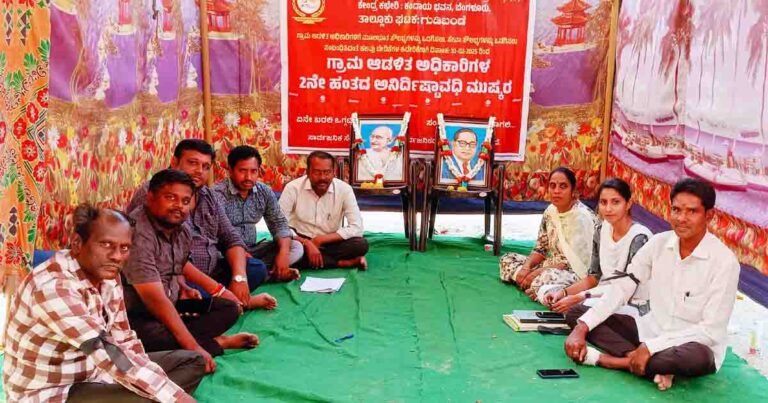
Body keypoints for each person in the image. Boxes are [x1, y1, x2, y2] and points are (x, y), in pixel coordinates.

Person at [2, 204, 203, 403]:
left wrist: (160, 385)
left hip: (95, 373)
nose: (116, 256)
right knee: (147, 396)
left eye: (124, 248)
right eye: (106, 245)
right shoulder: (53, 288)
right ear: (77, 243)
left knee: (192, 362)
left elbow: (124, 340)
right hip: (54, 391)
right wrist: (177, 398)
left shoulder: (108, 274)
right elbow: (108, 353)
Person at [564, 178, 740, 391]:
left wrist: (651, 347)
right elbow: (623, 287)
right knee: (577, 314)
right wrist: (582, 328)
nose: (681, 218)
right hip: (650, 331)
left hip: (688, 345)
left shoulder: (724, 262)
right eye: (676, 210)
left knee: (698, 357)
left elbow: (710, 331)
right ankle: (644, 363)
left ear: (709, 216)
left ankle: (613, 361)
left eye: (691, 211)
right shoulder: (659, 243)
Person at [123, 169, 264, 375]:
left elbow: (177, 265)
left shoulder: (181, 229)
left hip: (171, 302)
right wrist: (193, 346)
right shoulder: (137, 233)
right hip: (139, 316)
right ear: (150, 198)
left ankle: (187, 344)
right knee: (149, 340)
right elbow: (155, 300)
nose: (179, 206)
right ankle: (216, 344)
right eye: (170, 198)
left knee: (228, 307)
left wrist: (183, 286)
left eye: (185, 200)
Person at [127, 139, 271, 310]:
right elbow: (171, 258)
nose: (199, 171)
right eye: (193, 163)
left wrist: (239, 278)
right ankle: (233, 303)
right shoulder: (155, 194)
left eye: (205, 166)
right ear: (174, 162)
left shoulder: (206, 194)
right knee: (184, 296)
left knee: (255, 268)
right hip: (177, 278)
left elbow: (231, 237)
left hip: (211, 270)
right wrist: (217, 290)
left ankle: (228, 301)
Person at [543, 178, 652, 315]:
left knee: (577, 310)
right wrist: (563, 293)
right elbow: (593, 278)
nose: (608, 209)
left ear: (628, 203)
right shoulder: (601, 229)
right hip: (601, 296)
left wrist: (578, 298)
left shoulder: (639, 238)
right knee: (548, 293)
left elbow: (623, 291)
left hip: (632, 305)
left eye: (615, 202)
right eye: (603, 202)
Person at [499, 167, 597, 303]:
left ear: (573, 191)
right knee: (507, 259)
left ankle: (542, 289)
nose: (556, 191)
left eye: (563, 186)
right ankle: (537, 288)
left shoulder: (582, 217)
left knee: (544, 278)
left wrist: (538, 272)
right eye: (552, 186)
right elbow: (541, 248)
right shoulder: (550, 211)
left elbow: (580, 265)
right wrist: (527, 268)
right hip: (551, 265)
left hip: (573, 272)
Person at [213, 145, 302, 282]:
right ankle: (269, 274)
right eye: (242, 171)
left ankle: (263, 271)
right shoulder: (217, 194)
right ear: (230, 170)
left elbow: (279, 223)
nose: (248, 177)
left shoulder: (263, 191)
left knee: (296, 247)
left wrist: (283, 255)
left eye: (253, 171)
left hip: (253, 250)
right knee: (216, 260)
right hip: (228, 253)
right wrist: (240, 255)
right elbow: (219, 235)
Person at [279, 151, 369, 270]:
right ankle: (341, 263)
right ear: (308, 173)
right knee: (283, 249)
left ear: (333, 173)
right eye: (317, 172)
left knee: (360, 245)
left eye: (327, 172)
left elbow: (357, 227)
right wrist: (307, 243)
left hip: (329, 242)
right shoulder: (293, 188)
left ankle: (310, 261)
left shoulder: (344, 190)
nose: (322, 178)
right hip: (298, 241)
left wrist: (320, 240)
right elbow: (279, 225)